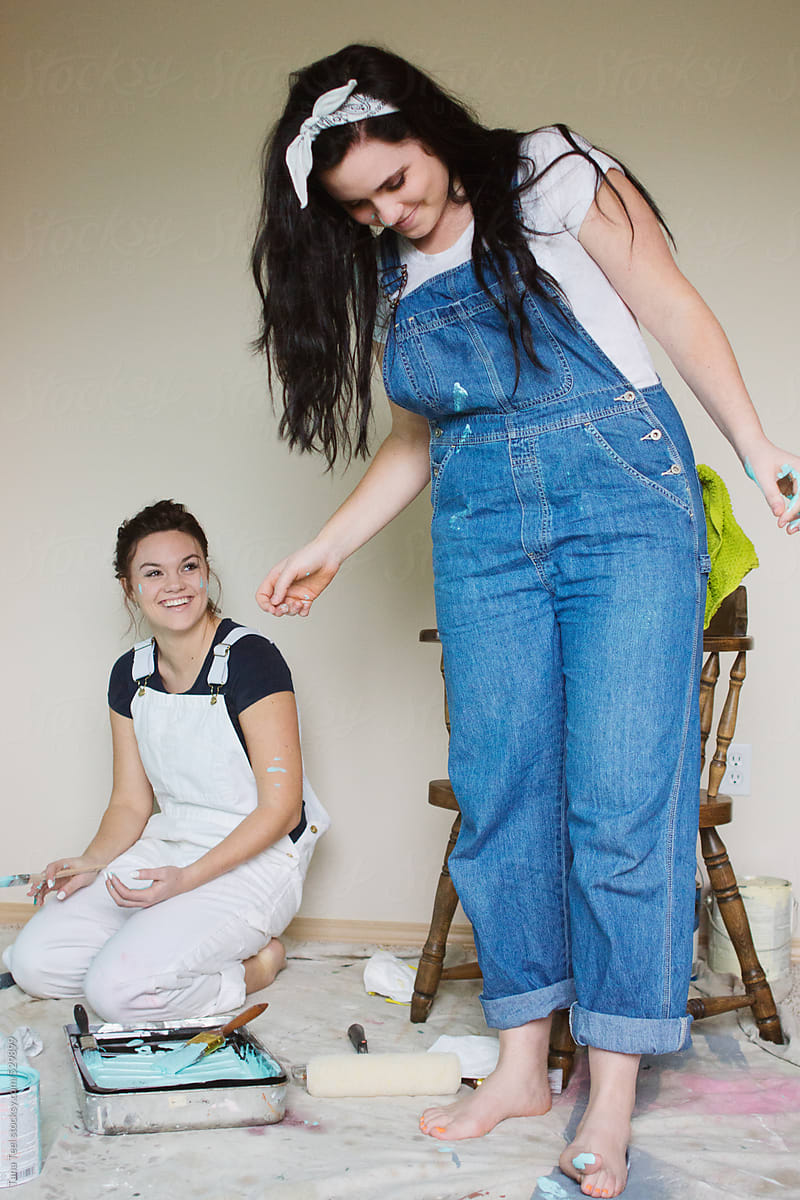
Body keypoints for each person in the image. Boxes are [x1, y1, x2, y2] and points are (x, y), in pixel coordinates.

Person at [250, 45, 798, 1198]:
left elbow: (668, 305)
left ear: (429, 128)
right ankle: (516, 1067)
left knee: (617, 797)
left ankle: (605, 1093)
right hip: (481, 531)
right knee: (500, 790)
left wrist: (757, 451)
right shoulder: (399, 270)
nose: (391, 212)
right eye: (361, 208)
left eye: (397, 181)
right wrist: (328, 546)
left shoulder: (548, 174)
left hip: (624, 510)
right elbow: (422, 434)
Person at [4, 500, 329, 1024]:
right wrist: (92, 861)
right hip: (170, 845)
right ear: (129, 587)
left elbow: (283, 811)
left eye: (189, 566)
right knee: (35, 965)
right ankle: (156, 945)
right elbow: (131, 801)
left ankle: (256, 966)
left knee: (117, 994)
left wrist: (186, 881)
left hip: (256, 860)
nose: (174, 584)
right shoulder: (129, 674)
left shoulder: (252, 659)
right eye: (153, 572)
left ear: (206, 571)